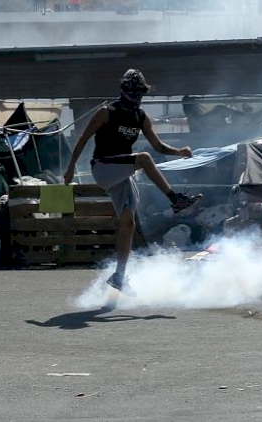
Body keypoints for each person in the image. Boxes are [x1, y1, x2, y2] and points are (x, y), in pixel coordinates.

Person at [63, 69, 202, 296]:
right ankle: (174, 199)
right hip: (103, 167)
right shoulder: (107, 112)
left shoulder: (141, 117)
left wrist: (180, 152)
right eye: (134, 91)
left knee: (128, 223)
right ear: (125, 90)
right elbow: (83, 139)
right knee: (144, 158)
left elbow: (158, 146)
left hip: (121, 173)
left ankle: (119, 276)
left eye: (140, 92)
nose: (137, 96)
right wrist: (70, 170)